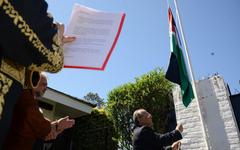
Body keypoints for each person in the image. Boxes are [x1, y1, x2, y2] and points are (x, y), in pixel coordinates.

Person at [0, 0, 75, 148]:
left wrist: (53, 128)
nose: (44, 88)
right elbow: (54, 61)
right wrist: (56, 40)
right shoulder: (26, 98)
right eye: (41, 82)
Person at [3, 72, 75, 150]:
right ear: (33, 82)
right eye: (43, 84)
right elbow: (36, 121)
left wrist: (53, 130)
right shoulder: (26, 98)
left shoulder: (30, 100)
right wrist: (56, 125)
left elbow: (38, 129)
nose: (46, 88)